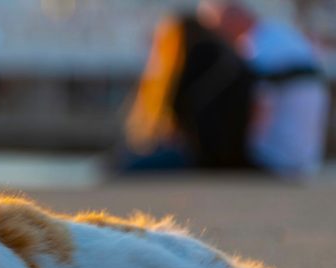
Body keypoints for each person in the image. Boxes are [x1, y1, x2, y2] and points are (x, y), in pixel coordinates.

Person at [123, 1, 330, 177]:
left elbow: (259, 108)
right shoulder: (281, 37)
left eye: (213, 23)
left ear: (231, 15)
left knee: (138, 166)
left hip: (273, 159)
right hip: (301, 158)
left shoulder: (258, 49)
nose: (214, 33)